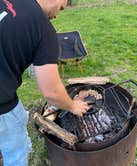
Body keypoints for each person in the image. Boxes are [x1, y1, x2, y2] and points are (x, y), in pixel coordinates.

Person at [0, 0, 90, 165]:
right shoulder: (43, 28)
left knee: (18, 119)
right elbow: (51, 92)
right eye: (61, 8)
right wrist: (73, 106)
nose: (56, 15)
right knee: (17, 154)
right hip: (2, 104)